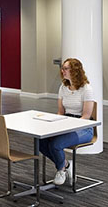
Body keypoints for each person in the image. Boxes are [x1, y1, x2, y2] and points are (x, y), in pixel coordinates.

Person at [39, 58, 95, 186]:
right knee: (41, 141)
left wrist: (69, 127)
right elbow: (60, 112)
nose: (62, 71)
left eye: (65, 68)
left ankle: (60, 169)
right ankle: (65, 164)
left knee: (56, 144)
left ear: (75, 70)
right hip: (66, 123)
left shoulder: (87, 89)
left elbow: (86, 116)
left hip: (83, 128)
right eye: (62, 68)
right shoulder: (63, 87)